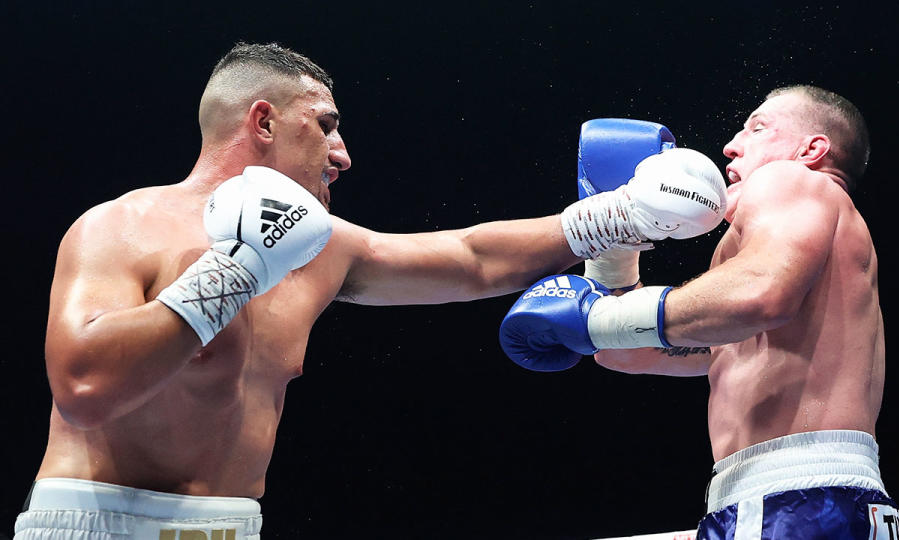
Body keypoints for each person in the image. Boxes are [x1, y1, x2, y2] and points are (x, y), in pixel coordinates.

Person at [15, 42, 725, 539]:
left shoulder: (322, 247)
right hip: (95, 521)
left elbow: (472, 259)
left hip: (230, 526)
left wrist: (616, 216)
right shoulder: (122, 227)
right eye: (324, 127)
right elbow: (83, 386)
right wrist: (234, 271)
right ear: (262, 122)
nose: (343, 154)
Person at [500, 86, 899, 538]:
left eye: (758, 127)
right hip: (809, 498)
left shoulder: (793, 180)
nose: (731, 145)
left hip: (792, 496)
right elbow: (628, 353)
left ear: (810, 150)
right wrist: (614, 243)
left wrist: (596, 318)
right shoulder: (794, 292)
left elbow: (760, 294)